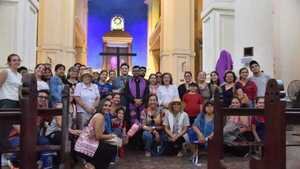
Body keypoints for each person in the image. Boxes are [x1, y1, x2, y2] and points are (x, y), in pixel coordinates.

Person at [8, 90, 53, 168]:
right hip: (16, 137)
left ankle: (47, 166)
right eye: (41, 97)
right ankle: (12, 160)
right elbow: (20, 129)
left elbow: (49, 120)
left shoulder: (42, 110)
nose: (43, 99)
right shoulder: (25, 107)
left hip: (33, 137)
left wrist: (46, 108)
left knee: (45, 140)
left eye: (45, 98)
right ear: (35, 98)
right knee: (26, 141)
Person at [76, 99, 117, 169]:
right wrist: (111, 136)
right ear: (101, 106)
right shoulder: (99, 117)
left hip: (87, 142)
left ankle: (92, 164)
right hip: (86, 145)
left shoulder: (100, 115)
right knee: (111, 148)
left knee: (112, 145)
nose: (107, 107)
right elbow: (98, 136)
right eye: (105, 105)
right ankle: (93, 165)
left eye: (109, 106)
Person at [0, 54, 22, 150]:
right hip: (6, 101)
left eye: (18, 60)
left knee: (10, 129)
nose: (16, 62)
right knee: (4, 128)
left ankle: (7, 152)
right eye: (14, 60)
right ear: (9, 62)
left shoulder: (20, 75)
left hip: (17, 102)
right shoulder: (6, 72)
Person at [188, 100, 214, 166]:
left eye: (211, 106)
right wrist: (200, 134)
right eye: (207, 106)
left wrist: (208, 138)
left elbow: (218, 129)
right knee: (191, 132)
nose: (209, 108)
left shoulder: (217, 117)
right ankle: (194, 154)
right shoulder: (201, 115)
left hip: (211, 137)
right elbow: (194, 125)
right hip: (200, 136)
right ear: (204, 108)